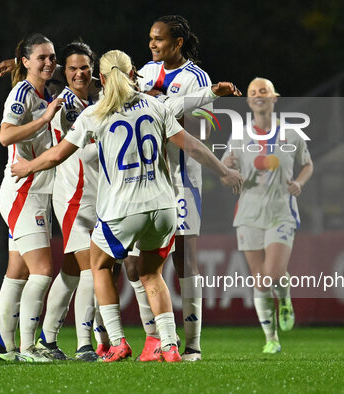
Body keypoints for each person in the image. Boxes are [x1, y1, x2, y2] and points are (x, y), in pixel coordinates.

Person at [11, 49, 243, 362]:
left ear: (101, 78)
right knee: (151, 275)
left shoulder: (96, 114)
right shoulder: (155, 104)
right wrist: (224, 171)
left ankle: (117, 341)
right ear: (133, 73)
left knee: (99, 265)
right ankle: (169, 345)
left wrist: (28, 167)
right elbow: (193, 146)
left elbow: (56, 155)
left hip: (124, 209)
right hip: (164, 209)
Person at [129, 14, 216, 362]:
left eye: (159, 39)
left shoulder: (198, 78)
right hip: (145, 181)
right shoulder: (145, 72)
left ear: (177, 43)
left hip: (181, 180)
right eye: (150, 38)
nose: (152, 45)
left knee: (185, 259)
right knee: (136, 266)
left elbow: (209, 125)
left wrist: (168, 108)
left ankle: (192, 344)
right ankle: (156, 340)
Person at [222, 77, 313, 353]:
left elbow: (308, 164)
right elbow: (227, 172)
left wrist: (298, 183)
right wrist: (227, 171)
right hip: (248, 213)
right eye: (253, 92)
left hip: (280, 211)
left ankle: (284, 300)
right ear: (249, 101)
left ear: (274, 97)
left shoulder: (292, 134)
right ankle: (271, 339)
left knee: (270, 274)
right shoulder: (239, 136)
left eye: (263, 91)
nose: (258, 95)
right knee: (259, 277)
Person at [30, 41, 105, 362]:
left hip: (102, 192)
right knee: (92, 266)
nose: (78, 73)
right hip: (73, 193)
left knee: (73, 269)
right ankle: (85, 343)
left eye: (84, 67)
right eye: (71, 68)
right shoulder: (63, 103)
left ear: (94, 69)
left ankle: (47, 337)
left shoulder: (103, 96)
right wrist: (20, 63)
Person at [0, 33, 65, 362]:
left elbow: (77, 71)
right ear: (26, 61)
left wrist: (24, 64)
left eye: (52, 56)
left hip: (33, 192)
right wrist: (43, 120)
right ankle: (28, 347)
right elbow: (5, 135)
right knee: (42, 271)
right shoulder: (23, 93)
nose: (50, 62)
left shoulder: (42, 87)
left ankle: (8, 351)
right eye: (42, 57)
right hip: (24, 192)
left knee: (18, 272)